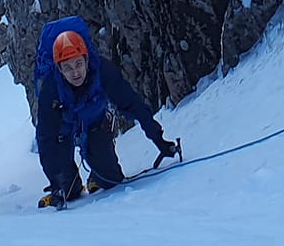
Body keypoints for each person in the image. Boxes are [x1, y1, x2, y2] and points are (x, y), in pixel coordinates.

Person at [34, 17, 179, 205]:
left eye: (78, 64)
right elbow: (46, 137)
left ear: (86, 59)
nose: (75, 73)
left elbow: (132, 103)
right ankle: (69, 186)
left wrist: (159, 140)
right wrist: (56, 183)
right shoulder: (51, 89)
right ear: (59, 69)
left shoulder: (102, 70)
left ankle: (97, 175)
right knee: (68, 191)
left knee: (111, 180)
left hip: (95, 121)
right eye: (68, 68)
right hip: (63, 129)